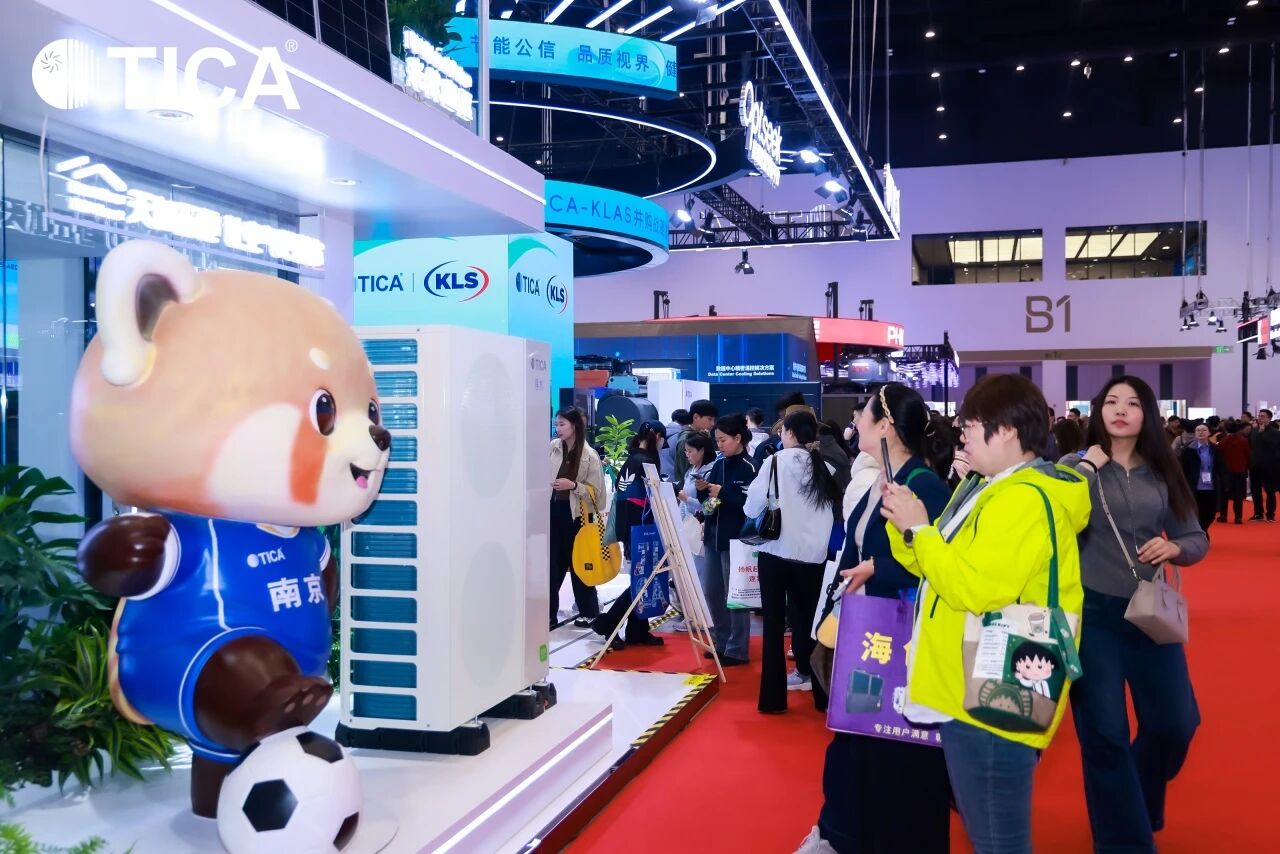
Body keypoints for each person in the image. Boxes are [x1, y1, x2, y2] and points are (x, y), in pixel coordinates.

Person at [880, 373, 1090, 854]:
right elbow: (937, 568)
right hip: (969, 683)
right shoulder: (990, 489)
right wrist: (908, 527)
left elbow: (974, 588)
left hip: (989, 691)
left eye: (970, 426)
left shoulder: (1021, 498)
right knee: (989, 830)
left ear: (1008, 430)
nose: (961, 437)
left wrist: (921, 531)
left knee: (997, 838)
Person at [799, 384, 953, 854]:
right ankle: (841, 835)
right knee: (857, 740)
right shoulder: (883, 478)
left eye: (862, 415)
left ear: (884, 425)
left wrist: (876, 568)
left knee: (893, 747)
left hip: (897, 631)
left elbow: (937, 559)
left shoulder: (923, 485)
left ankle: (857, 836)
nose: (855, 422)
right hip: (868, 625)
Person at [1061, 376, 1206, 853]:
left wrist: (1175, 548)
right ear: (1098, 410)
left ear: (1148, 414)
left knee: (1175, 724)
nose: (1120, 410)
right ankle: (1124, 840)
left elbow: (1196, 537)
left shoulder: (1162, 472)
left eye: (1132, 403)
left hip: (1149, 615)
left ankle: (1134, 804)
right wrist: (1087, 467)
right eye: (1111, 402)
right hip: (1091, 617)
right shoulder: (1074, 466)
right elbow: (1054, 520)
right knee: (1105, 733)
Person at [745, 410, 843, 715]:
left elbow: (752, 507)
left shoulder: (774, 462)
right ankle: (822, 696)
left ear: (788, 433)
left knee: (774, 627)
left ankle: (773, 700)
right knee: (811, 626)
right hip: (814, 558)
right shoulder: (825, 466)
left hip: (776, 553)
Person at [590, 421, 667, 649]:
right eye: (662, 440)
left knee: (642, 578)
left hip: (631, 527)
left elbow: (624, 498)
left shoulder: (632, 459)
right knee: (643, 580)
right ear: (657, 436)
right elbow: (641, 501)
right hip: (642, 528)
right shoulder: (645, 461)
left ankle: (637, 629)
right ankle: (609, 623)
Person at [698, 414, 758, 666]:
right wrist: (704, 501)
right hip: (714, 536)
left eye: (723, 440)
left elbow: (752, 505)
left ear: (738, 438)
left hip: (737, 539)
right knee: (712, 592)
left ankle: (737, 649)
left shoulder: (751, 467)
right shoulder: (718, 465)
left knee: (735, 595)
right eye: (717, 440)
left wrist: (722, 492)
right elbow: (712, 502)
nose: (719, 445)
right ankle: (721, 642)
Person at [548, 407, 606, 628]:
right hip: (552, 512)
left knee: (580, 564)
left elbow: (597, 495)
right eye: (556, 424)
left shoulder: (589, 455)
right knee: (552, 566)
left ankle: (589, 611)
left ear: (574, 426)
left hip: (578, 517)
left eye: (562, 424)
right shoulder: (553, 448)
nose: (558, 428)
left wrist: (573, 486)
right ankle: (548, 614)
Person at [1179, 424, 1227, 535]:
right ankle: (1202, 533)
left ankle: (1202, 530)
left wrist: (1225, 482)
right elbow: (1183, 470)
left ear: (1209, 433)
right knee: (1196, 513)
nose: (1201, 432)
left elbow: (1221, 467)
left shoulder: (1215, 449)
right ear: (1195, 433)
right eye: (1198, 430)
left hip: (1211, 486)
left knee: (1210, 513)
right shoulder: (1188, 450)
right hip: (1195, 487)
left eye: (1204, 430)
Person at [673, 400, 717, 484]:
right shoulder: (686, 439)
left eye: (714, 420)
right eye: (710, 419)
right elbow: (685, 472)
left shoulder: (703, 436)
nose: (713, 423)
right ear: (696, 417)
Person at [1216, 420, 1251, 524]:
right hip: (1240, 471)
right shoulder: (1244, 440)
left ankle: (1223, 515)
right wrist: (1246, 468)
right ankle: (1238, 517)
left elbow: (1219, 456)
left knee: (1224, 495)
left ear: (1226, 429)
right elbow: (1248, 456)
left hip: (1226, 472)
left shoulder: (1223, 441)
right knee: (1238, 496)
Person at [1249, 409, 1280, 521]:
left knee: (1270, 491)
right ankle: (1258, 513)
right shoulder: (1254, 431)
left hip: (1269, 466)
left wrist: (1262, 434)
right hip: (1254, 465)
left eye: (1263, 416)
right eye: (1259, 416)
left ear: (1269, 419)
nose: (1260, 418)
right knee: (1255, 490)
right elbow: (1251, 446)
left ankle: (1270, 514)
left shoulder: (1275, 433)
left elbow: (1273, 446)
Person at [661, 408, 692, 477]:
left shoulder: (661, 433)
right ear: (688, 423)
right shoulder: (682, 437)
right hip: (674, 478)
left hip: (658, 475)